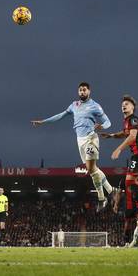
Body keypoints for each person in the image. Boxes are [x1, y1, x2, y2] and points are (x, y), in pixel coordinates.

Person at [31, 82, 117, 212]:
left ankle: (102, 198)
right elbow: (60, 116)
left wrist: (102, 126)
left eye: (84, 90)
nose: (82, 92)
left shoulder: (95, 106)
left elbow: (108, 122)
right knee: (93, 170)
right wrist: (43, 122)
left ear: (89, 91)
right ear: (78, 92)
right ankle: (111, 191)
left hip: (91, 138)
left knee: (90, 168)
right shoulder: (74, 105)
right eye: (80, 90)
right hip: (80, 140)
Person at [100, 95, 138, 245]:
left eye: (127, 104)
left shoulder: (133, 119)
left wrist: (119, 149)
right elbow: (124, 133)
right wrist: (110, 136)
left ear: (132, 107)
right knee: (137, 185)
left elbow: (132, 137)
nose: (124, 106)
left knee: (129, 182)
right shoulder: (128, 122)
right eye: (122, 104)